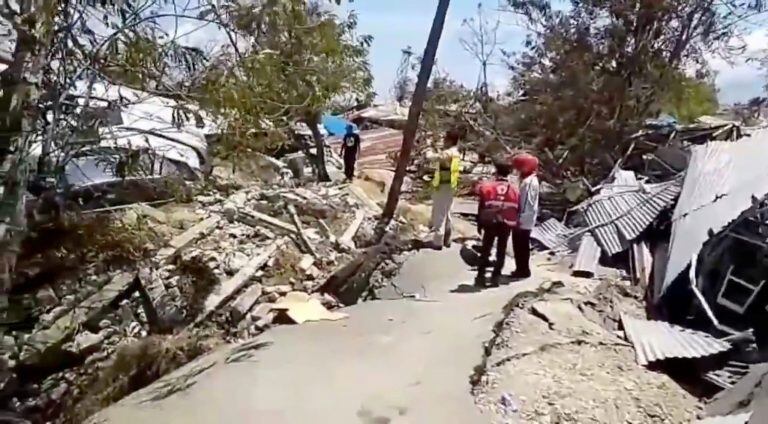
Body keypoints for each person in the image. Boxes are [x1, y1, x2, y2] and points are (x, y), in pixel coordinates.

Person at [474, 160, 519, 287]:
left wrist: (479, 223)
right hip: (506, 223)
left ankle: (480, 276)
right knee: (501, 250)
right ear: (509, 173)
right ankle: (495, 277)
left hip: (490, 222)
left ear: (496, 171)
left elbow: (481, 207)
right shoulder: (515, 190)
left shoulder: (486, 187)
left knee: (486, 249)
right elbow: (517, 209)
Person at [426, 131, 461, 249]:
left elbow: (431, 158)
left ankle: (438, 241)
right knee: (447, 212)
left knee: (439, 213)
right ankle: (447, 238)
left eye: (445, 139)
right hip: (450, 186)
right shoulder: (456, 152)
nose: (444, 141)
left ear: (450, 140)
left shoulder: (448, 153)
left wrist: (428, 148)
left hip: (443, 186)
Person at [510, 153, 540, 279]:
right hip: (525, 218)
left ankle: (522, 270)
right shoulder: (529, 180)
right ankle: (521, 268)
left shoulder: (529, 182)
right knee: (520, 245)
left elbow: (527, 202)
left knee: (520, 245)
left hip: (524, 219)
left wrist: (520, 218)